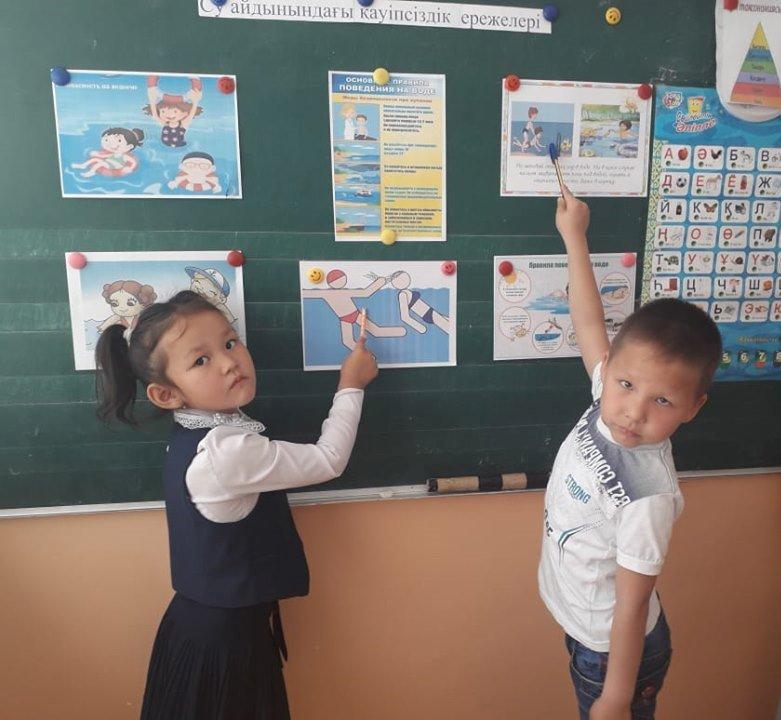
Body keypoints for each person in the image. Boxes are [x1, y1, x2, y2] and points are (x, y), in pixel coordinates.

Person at [95, 290, 377, 719]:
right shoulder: (227, 450)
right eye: (200, 360)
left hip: (199, 629)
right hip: (224, 644)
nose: (229, 362)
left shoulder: (197, 437)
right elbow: (328, 459)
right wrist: (351, 384)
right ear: (166, 395)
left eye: (230, 342)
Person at [538, 186, 722, 720]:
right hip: (585, 628)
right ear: (612, 368)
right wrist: (575, 236)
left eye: (662, 400)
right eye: (626, 385)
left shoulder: (648, 495)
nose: (633, 411)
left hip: (613, 656)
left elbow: (634, 601)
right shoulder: (608, 391)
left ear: (693, 407)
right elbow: (588, 322)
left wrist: (616, 697)